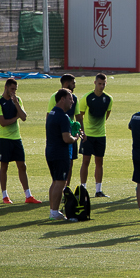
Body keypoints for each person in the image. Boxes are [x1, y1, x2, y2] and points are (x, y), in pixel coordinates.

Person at [0, 78, 41, 204]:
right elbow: (3, 123)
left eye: (15, 89)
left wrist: (16, 104)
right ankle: (5, 196)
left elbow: (24, 117)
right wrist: (16, 117)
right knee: (4, 166)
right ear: (6, 87)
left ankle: (28, 195)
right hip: (3, 139)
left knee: (22, 166)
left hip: (16, 138)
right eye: (12, 89)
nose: (14, 92)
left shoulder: (18, 100)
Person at [46, 89, 81, 220]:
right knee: (61, 182)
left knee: (55, 181)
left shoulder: (52, 114)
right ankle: (54, 212)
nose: (72, 101)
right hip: (60, 153)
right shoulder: (63, 116)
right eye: (70, 98)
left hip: (50, 151)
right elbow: (67, 138)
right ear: (62, 99)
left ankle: (52, 210)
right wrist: (76, 137)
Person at [79, 73, 113, 198]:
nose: (101, 86)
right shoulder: (86, 98)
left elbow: (106, 115)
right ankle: (83, 188)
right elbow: (80, 115)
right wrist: (83, 132)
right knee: (86, 161)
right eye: (99, 83)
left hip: (101, 135)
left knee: (99, 161)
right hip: (87, 135)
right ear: (95, 83)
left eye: (104, 84)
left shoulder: (109, 99)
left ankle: (98, 190)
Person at [47, 74, 82, 188]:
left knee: (69, 164)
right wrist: (75, 137)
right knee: (59, 179)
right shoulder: (56, 100)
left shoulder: (74, 99)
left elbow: (78, 116)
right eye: (73, 83)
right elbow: (50, 119)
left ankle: (66, 189)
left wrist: (81, 131)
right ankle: (62, 189)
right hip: (62, 141)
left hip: (61, 140)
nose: (72, 102)